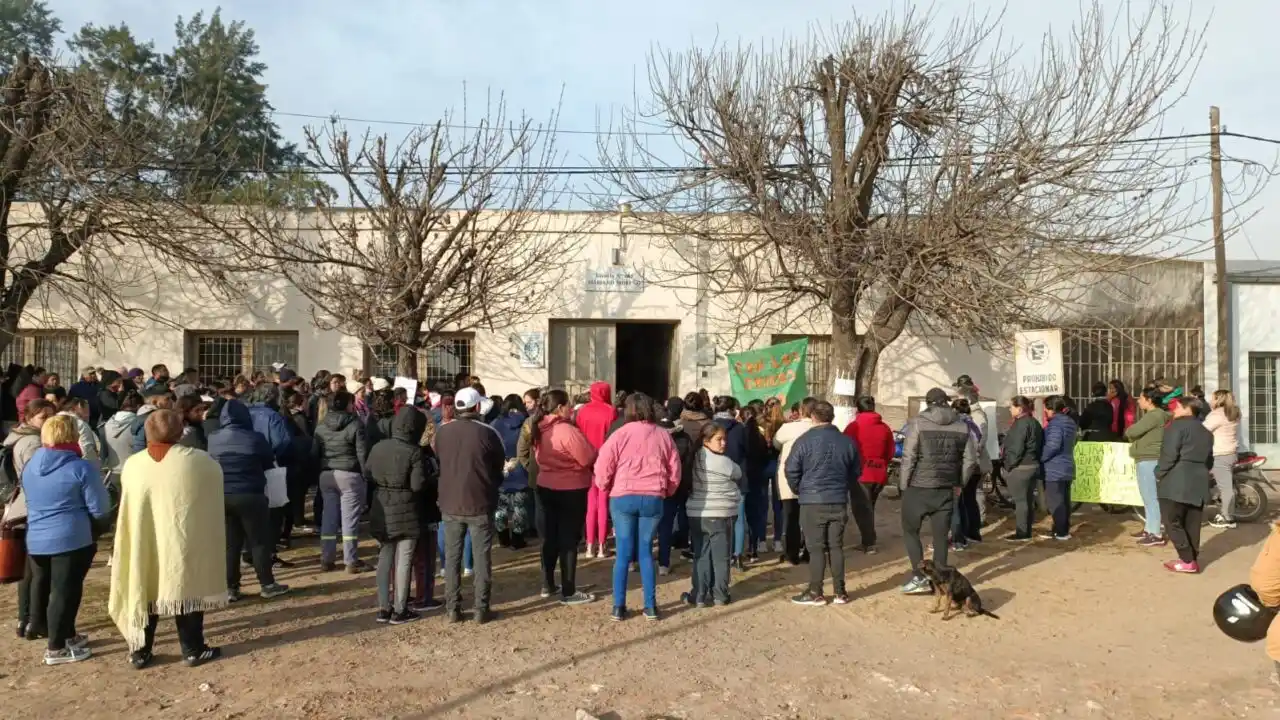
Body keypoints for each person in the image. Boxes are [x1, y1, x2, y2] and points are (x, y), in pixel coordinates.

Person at [109, 410, 225, 669]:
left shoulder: (133, 465)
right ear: (180, 431)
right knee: (186, 582)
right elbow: (214, 484)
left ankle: (140, 651)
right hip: (182, 537)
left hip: (146, 540)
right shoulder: (198, 461)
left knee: (145, 583)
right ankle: (193, 649)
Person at [22, 415, 111, 665]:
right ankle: (55, 648)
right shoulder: (81, 467)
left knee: (51, 588)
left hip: (37, 536)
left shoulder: (31, 464)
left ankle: (67, 634)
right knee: (65, 592)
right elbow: (100, 508)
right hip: (71, 537)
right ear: (72, 435)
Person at [595, 393, 681, 622]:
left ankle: (618, 606)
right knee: (645, 552)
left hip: (623, 495)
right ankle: (650, 606)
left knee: (623, 553)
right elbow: (675, 469)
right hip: (653, 496)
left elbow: (603, 464)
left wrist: (604, 485)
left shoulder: (619, 434)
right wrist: (668, 490)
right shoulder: (663, 435)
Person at [207, 399, 290, 602]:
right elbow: (268, 461)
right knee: (258, 542)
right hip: (252, 494)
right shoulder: (255, 438)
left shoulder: (213, 438)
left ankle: (230, 588)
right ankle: (267, 585)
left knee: (231, 544)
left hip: (223, 495)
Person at [898, 388, 979, 595]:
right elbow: (970, 460)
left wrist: (903, 485)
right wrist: (959, 483)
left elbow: (908, 457)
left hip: (918, 487)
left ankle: (919, 577)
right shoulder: (962, 426)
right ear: (946, 402)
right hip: (946, 488)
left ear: (928, 403)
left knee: (910, 531)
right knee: (941, 537)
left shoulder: (917, 423)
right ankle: (940, 580)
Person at [436, 387, 505, 624]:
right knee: (481, 557)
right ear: (476, 407)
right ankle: (481, 608)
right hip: (480, 502)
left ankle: (452, 608)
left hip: (450, 502)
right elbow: (498, 466)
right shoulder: (487, 432)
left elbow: (440, 460)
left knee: (452, 558)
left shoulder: (443, 432)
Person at [785, 401, 859, 606]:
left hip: (812, 501)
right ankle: (840, 592)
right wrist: (842, 486)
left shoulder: (803, 441)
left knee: (816, 548)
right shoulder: (847, 442)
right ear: (832, 417)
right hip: (837, 499)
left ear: (813, 417)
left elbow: (791, 469)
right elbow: (855, 471)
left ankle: (815, 591)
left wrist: (800, 489)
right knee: (836, 546)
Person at [366, 407, 434, 624]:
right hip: (406, 509)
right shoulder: (414, 452)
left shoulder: (378, 447)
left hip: (381, 507)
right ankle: (400, 608)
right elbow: (417, 485)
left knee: (385, 556)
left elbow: (367, 473)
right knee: (404, 559)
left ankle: (383, 607)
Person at [529, 389, 597, 605]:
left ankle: (547, 584)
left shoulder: (539, 427)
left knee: (549, 538)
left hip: (546, 485)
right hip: (571, 488)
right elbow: (587, 457)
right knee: (568, 539)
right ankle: (568, 590)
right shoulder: (566, 430)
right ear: (560, 408)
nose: (571, 409)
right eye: (568, 405)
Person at [683, 422, 743, 607]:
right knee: (721, 558)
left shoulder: (693, 459)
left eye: (725, 439)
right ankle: (720, 595)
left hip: (697, 513)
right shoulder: (724, 462)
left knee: (701, 555)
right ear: (706, 441)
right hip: (720, 514)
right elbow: (738, 473)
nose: (724, 443)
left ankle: (699, 595)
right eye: (719, 439)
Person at [313, 389, 370, 573]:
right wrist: (365, 475)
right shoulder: (356, 424)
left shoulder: (321, 426)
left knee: (328, 518)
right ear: (348, 405)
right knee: (349, 520)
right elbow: (362, 453)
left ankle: (326, 558)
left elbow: (314, 453)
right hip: (350, 475)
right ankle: (351, 560)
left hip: (326, 475)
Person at [1156, 396, 1214, 573]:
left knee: (1171, 520)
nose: (1174, 410)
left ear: (1187, 409)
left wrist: (1159, 473)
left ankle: (1187, 559)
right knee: (1192, 522)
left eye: (1178, 407)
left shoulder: (1176, 427)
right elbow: (1209, 460)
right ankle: (1191, 558)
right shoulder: (1206, 432)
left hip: (1176, 480)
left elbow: (1169, 454)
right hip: (1199, 480)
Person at [842, 395, 893, 554]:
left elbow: (845, 450)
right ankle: (869, 538)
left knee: (861, 509)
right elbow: (890, 451)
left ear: (858, 409)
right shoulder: (884, 427)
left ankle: (869, 543)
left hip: (861, 473)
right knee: (869, 506)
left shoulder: (853, 427)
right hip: (879, 472)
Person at [574, 381, 617, 558]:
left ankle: (589, 545)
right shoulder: (611, 411)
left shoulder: (582, 411)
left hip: (586, 461)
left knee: (591, 504)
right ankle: (601, 545)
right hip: (605, 461)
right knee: (603, 503)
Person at [773, 397, 818, 564]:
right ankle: (808, 552)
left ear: (801, 411)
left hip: (789, 480)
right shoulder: (819, 428)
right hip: (813, 480)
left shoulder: (788, 428)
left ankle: (791, 554)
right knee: (811, 518)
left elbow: (776, 443)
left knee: (791, 517)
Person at [1126, 387, 1169, 547]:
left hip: (1149, 459)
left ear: (1149, 400)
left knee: (1151, 497)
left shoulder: (1154, 415)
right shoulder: (1157, 415)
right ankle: (1149, 529)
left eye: (1141, 398)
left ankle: (1155, 533)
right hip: (1148, 458)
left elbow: (1132, 431)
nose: (1138, 401)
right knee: (1147, 496)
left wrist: (1130, 431)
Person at [656, 397, 695, 575]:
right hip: (680, 484)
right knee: (680, 517)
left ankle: (647, 559)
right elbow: (689, 462)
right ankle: (674, 552)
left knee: (659, 524)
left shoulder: (654, 438)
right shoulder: (684, 438)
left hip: (659, 485)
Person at [949, 398, 990, 549]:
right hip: (977, 467)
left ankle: (959, 538)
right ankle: (973, 534)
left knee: (959, 503)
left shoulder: (960, 426)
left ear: (955, 411)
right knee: (970, 500)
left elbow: (967, 452)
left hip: (966, 467)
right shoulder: (973, 424)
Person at [490, 395, 531, 549]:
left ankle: (503, 538)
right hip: (521, 467)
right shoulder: (526, 423)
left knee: (501, 507)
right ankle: (518, 539)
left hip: (501, 468)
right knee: (520, 506)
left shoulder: (495, 424)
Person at [1000, 396, 1043, 542]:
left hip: (1021, 467)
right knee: (1027, 500)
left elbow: (1016, 448)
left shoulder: (1021, 424)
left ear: (1019, 408)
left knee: (1021, 501)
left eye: (1011, 406)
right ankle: (1026, 530)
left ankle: (1022, 532)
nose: (1009, 409)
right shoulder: (1034, 422)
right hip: (1032, 465)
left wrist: (1008, 465)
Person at [1040, 395, 1078, 541]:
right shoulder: (1070, 422)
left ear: (1051, 409)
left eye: (1045, 408)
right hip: (1067, 465)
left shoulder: (1055, 424)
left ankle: (1061, 532)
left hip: (1055, 467)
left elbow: (1053, 445)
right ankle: (1061, 529)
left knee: (1055, 502)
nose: (1044, 411)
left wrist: (1041, 458)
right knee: (1064, 500)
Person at [1204, 390, 1242, 529]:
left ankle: (1227, 518)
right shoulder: (1234, 412)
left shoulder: (1217, 415)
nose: (1210, 401)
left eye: (1213, 398)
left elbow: (1202, 430)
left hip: (1220, 454)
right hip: (1230, 453)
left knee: (1226, 488)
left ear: (1218, 400)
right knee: (1224, 486)